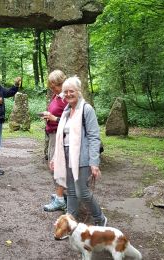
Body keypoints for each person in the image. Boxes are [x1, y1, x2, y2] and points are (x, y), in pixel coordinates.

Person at [50, 76, 107, 226]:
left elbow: (94, 137)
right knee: (72, 191)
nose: (68, 94)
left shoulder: (86, 109)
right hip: (66, 154)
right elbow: (61, 136)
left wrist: (94, 162)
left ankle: (100, 218)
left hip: (82, 156)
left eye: (71, 91)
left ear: (78, 91)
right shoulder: (67, 111)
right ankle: (71, 220)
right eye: (65, 92)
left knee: (82, 192)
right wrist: (55, 157)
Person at [41, 70, 68, 212]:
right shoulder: (57, 96)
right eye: (51, 86)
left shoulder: (67, 98)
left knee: (57, 166)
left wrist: (54, 118)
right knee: (54, 165)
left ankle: (60, 200)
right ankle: (61, 194)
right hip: (52, 133)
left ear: (62, 83)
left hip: (60, 135)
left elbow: (71, 120)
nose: (53, 89)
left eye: (54, 86)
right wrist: (48, 116)